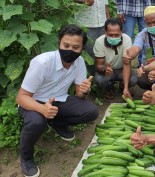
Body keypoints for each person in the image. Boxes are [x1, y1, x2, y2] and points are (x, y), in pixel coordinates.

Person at [16, 25, 99, 177]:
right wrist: (42, 109)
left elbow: (80, 94)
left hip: (59, 100)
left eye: (75, 47)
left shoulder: (79, 62)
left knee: (91, 112)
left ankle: (57, 123)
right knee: (37, 122)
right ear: (59, 43)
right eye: (65, 45)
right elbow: (21, 97)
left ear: (82, 48)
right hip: (32, 103)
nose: (69, 50)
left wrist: (84, 90)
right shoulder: (42, 63)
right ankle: (26, 157)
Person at [123, 6, 155, 92]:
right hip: (148, 67)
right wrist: (130, 55)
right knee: (142, 80)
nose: (152, 25)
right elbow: (136, 48)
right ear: (145, 22)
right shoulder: (142, 35)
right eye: (149, 23)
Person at [94, 18, 137, 99]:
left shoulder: (127, 40)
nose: (113, 37)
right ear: (105, 33)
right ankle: (109, 89)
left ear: (122, 33)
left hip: (122, 69)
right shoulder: (99, 41)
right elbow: (99, 65)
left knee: (133, 79)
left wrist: (126, 87)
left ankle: (123, 87)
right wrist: (104, 70)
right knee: (99, 79)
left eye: (116, 35)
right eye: (110, 35)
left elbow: (127, 64)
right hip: (108, 70)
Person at [74, 0, 110, 74]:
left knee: (102, 50)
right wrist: (84, 1)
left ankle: (100, 74)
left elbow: (105, 5)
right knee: (89, 53)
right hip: (86, 24)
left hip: (102, 23)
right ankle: (89, 76)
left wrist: (108, 23)